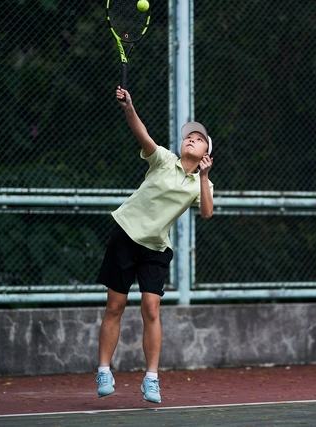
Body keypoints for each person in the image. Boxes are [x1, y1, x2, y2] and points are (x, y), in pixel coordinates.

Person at [94, 86, 214, 403]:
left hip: (155, 248)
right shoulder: (163, 160)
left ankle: (151, 379)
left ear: (206, 153)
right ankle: (104, 370)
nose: (191, 138)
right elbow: (141, 132)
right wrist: (129, 106)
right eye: (189, 136)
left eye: (199, 138)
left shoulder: (201, 182)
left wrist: (203, 178)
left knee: (151, 308)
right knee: (115, 307)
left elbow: (206, 212)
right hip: (126, 235)